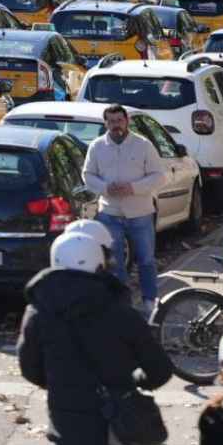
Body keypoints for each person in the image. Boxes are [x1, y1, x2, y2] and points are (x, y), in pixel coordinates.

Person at [18, 231, 173, 445]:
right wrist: (136, 380)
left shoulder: (38, 311)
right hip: (118, 430)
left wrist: (61, 383)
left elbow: (29, 368)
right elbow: (160, 369)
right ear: (100, 264)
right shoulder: (119, 310)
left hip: (68, 432)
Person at [83, 104, 168, 313]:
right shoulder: (97, 146)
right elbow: (87, 175)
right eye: (111, 122)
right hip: (110, 214)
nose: (116, 125)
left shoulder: (143, 145)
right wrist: (105, 188)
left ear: (127, 121)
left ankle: (150, 303)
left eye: (119, 121)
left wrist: (134, 188)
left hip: (140, 212)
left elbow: (159, 176)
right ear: (105, 123)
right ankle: (122, 306)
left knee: (146, 260)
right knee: (115, 263)